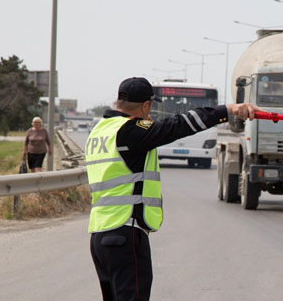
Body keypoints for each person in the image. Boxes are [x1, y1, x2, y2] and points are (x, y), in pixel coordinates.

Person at [86, 77, 262, 300]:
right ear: (146, 105)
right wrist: (228, 109)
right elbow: (178, 125)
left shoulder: (99, 131)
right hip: (124, 232)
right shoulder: (130, 131)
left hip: (99, 235)